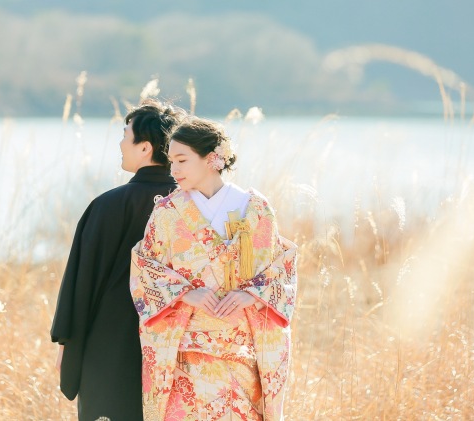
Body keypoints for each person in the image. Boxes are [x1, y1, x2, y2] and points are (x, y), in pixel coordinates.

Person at [130, 117, 297, 420]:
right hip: (185, 349)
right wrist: (183, 294)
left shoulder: (256, 208)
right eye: (171, 161)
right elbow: (144, 268)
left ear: (212, 159)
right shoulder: (167, 212)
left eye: (182, 160)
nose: (174, 170)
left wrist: (253, 295)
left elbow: (280, 268)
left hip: (242, 349)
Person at [51, 100, 186, 421]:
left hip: (109, 342)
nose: (120, 143)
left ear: (145, 148)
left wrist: (68, 346)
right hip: (178, 343)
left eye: (126, 135)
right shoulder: (194, 205)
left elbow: (82, 282)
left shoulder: (107, 205)